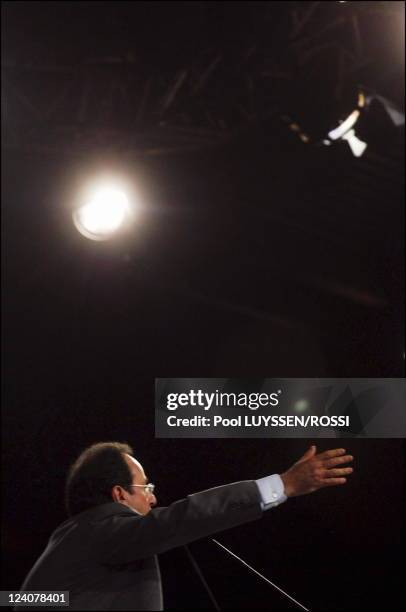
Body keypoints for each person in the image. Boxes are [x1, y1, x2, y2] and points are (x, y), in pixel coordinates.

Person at [19, 441, 353, 610]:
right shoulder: (99, 529)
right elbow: (184, 516)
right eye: (146, 487)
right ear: (119, 494)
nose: (153, 498)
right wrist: (283, 485)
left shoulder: (70, 540)